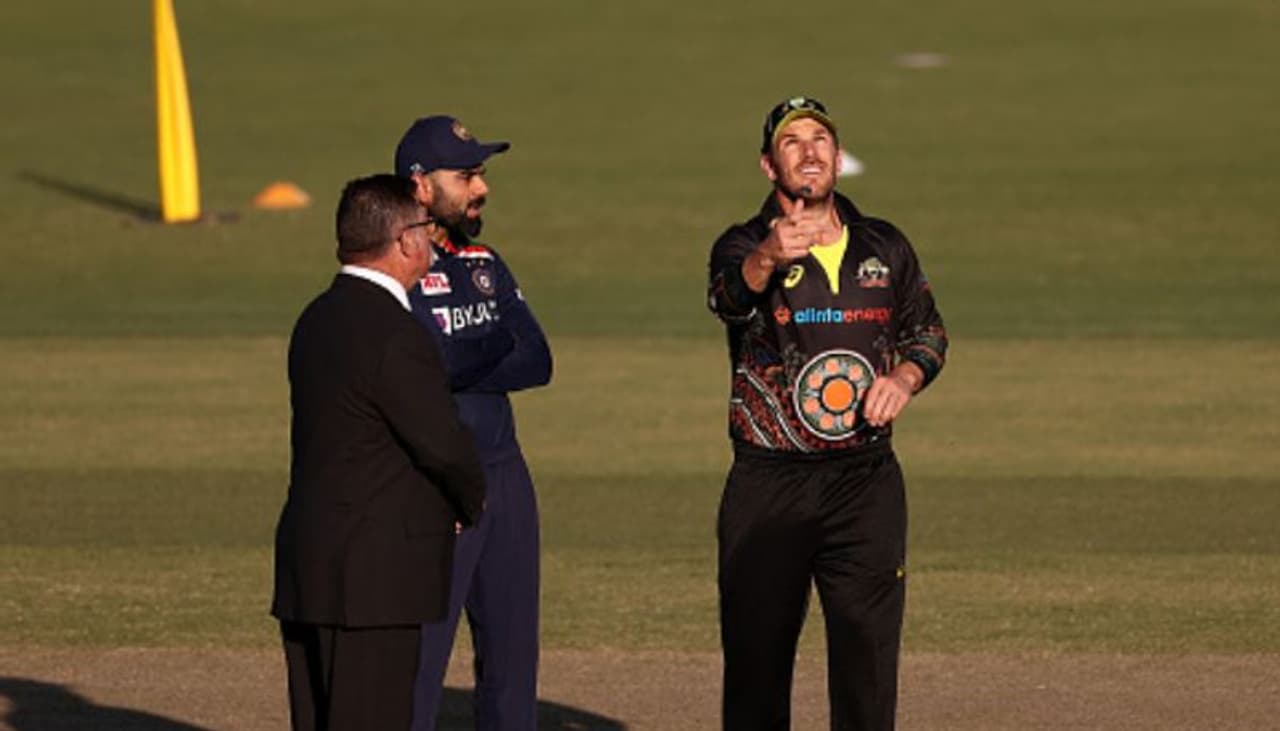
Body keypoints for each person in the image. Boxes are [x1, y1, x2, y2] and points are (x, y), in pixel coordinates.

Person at [706, 96, 948, 731]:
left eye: (820, 140)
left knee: (868, 664)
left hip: (865, 482)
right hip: (770, 483)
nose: (809, 151)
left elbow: (928, 332)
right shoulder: (742, 244)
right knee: (757, 669)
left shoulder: (884, 244)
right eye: (792, 142)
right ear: (769, 166)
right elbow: (727, 300)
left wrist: (905, 375)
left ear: (838, 159)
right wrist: (767, 257)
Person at [271, 174, 487, 731]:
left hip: (310, 566)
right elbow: (443, 445)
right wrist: (467, 501)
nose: (433, 242)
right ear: (405, 240)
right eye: (427, 230)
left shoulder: (315, 317)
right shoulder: (396, 333)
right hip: (374, 579)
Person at [393, 115, 553, 731]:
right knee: (417, 666)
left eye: (480, 173)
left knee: (512, 664)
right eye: (466, 176)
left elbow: (537, 360)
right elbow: (423, 367)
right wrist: (490, 344)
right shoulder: (397, 268)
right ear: (420, 185)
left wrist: (461, 357)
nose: (481, 188)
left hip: (506, 477)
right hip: (432, 482)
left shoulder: (484, 260)